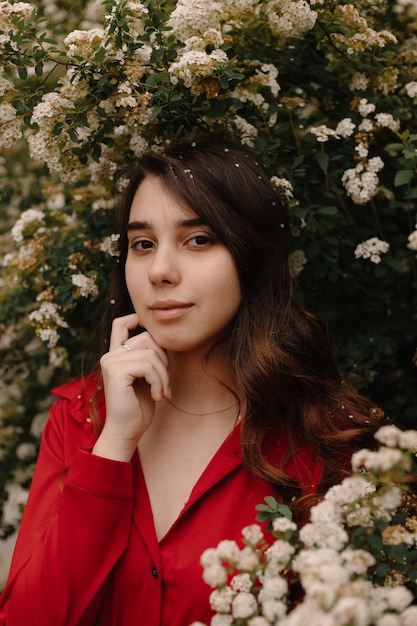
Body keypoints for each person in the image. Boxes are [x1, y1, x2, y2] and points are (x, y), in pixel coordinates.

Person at [0, 139, 379, 626]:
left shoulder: (326, 442)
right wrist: (113, 446)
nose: (160, 271)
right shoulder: (79, 418)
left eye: (198, 239)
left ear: (250, 256)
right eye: (142, 244)